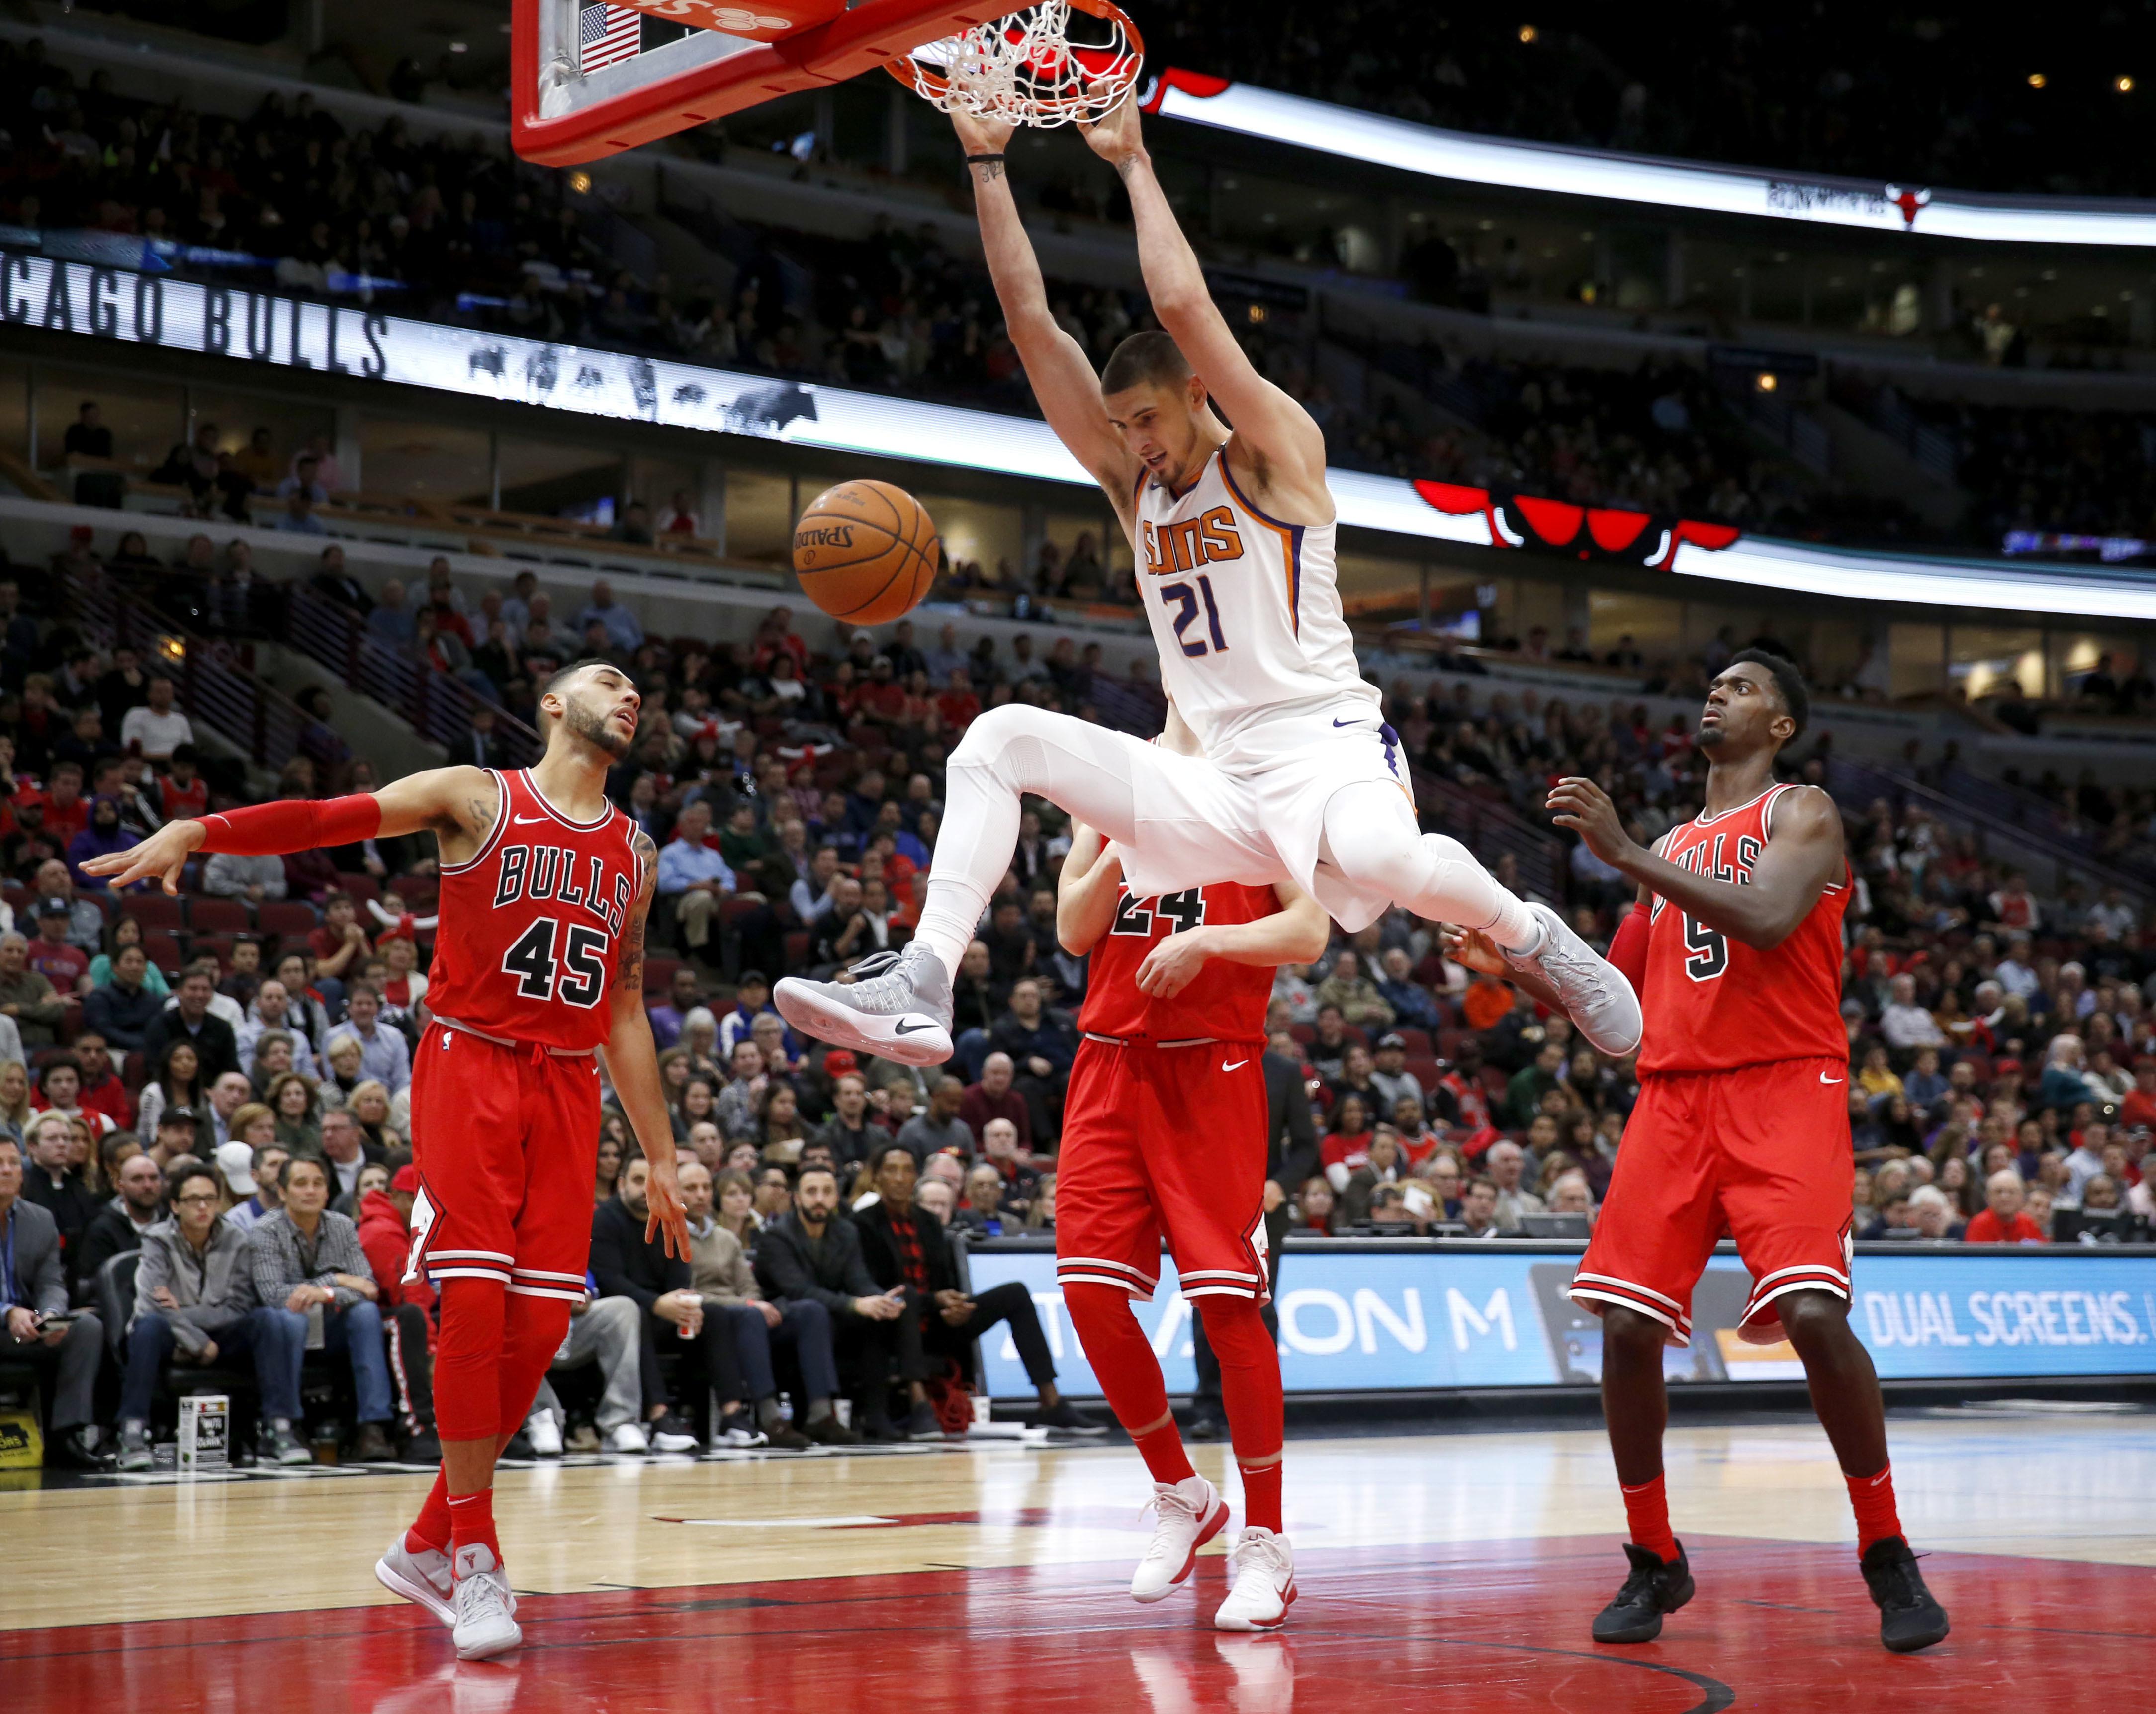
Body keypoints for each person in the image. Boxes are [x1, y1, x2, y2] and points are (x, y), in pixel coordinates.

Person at [773, 97, 1637, 1071]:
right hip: (1216, 775)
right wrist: (984, 162)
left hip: (1323, 744)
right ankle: (921, 979)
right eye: (1121, 425)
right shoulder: (1132, 486)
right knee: (995, 739)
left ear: (1196, 395)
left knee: (1387, 861)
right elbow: (1027, 321)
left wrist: (1133, 161)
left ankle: (1536, 938)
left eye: (1146, 417)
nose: (1133, 441)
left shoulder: (1276, 457)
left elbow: (1183, 310)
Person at [89, 658, 688, 1664]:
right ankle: (474, 1555)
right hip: (470, 1062)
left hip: (570, 1083)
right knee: (478, 1300)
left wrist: (662, 1153)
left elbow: (624, 1007)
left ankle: (424, 1541)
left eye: (639, 690)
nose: (630, 695)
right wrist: (204, 829)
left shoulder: (636, 848)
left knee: (542, 1324)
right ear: (553, 703)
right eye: (608, 678)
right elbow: (331, 817)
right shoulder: (476, 794)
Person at [1533, 651, 1947, 1653]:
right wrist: (1517, 961)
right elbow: (1614, 1003)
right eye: (1710, 680)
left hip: (1782, 1083)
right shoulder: (1670, 844)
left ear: (1781, 726)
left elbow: (1764, 917)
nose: (1717, 690)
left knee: (1809, 1309)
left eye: (1743, 685)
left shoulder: (1800, 811)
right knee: (1626, 1329)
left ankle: (1884, 1546)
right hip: (1672, 1096)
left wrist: (1625, 852)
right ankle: (1651, 1557)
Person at [1051, 789, 1329, 1629]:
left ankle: (1267, 1543)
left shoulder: (1268, 795)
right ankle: (1181, 1490)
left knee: (1227, 1308)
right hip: (1107, 1064)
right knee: (1089, 1292)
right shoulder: (1111, 790)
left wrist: (1207, 939)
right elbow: (1072, 926)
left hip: (1214, 1071)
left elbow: (1309, 931)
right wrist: (1123, 836)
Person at [854, 1143, 1095, 1435]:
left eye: (906, 1170)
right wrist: (935, 1301)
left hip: (937, 1322)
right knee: (907, 1296)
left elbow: (944, 1280)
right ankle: (920, 1405)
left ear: (915, 1177)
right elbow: (877, 1288)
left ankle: (1051, 1402)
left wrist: (956, 1305)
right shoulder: (863, 1224)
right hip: (891, 1325)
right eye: (891, 1170)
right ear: (877, 1177)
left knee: (1015, 1294)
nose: (900, 1178)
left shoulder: (928, 1221)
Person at [114, 1159, 313, 1470]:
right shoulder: (157, 1241)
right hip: (172, 1336)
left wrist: (183, 1312)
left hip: (221, 1335)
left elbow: (239, 1306)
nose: (204, 1207)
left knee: (269, 1320)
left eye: (210, 1198)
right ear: (175, 1206)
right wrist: (196, 1342)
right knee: (149, 1326)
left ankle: (280, 1428)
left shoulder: (238, 1240)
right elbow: (152, 1305)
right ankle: (132, 1432)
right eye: (194, 1200)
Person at [678, 1159, 855, 1448]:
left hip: (747, 1317)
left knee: (810, 1310)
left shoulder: (726, 1239)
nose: (700, 1195)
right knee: (750, 1315)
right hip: (704, 1321)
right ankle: (770, 1416)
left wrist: (750, 1303)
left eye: (706, 1187)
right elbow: (684, 1292)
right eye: (691, 1188)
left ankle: (821, 1413)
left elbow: (751, 1290)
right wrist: (744, 1304)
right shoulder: (670, 1234)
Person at [590, 1151, 735, 1450]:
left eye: (651, 1181)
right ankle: (659, 1418)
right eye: (638, 1180)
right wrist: (657, 1304)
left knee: (715, 1316)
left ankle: (733, 1417)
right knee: (634, 1315)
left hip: (664, 1312)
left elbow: (681, 1272)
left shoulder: (670, 1217)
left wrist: (681, 1303)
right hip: (623, 1318)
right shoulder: (604, 1220)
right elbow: (610, 1280)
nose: (645, 1189)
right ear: (621, 1185)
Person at [0, 1134, 110, 1467]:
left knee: (87, 1327)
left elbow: (52, 1282)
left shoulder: (40, 1219)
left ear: (23, 1173)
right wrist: (7, 1313)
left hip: (24, 1329)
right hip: (6, 1323)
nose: (7, 1170)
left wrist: (51, 1315)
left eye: (14, 1163)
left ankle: (65, 1435)